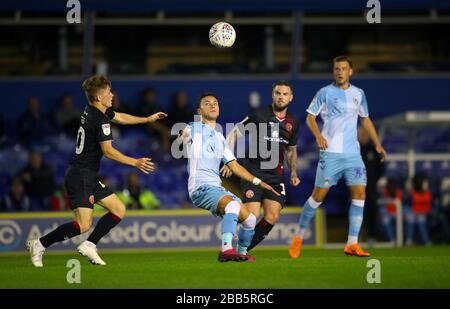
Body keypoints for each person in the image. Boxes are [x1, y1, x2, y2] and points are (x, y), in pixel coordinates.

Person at [27, 75, 167, 267]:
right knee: (83, 225)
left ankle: (90, 244)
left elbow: (120, 117)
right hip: (80, 175)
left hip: (87, 175)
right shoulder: (99, 120)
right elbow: (108, 152)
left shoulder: (93, 110)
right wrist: (135, 162)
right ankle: (39, 244)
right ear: (99, 98)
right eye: (109, 92)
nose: (112, 95)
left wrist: (147, 119)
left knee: (119, 209)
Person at [289, 56, 387, 259]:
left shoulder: (359, 94)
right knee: (318, 197)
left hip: (353, 155)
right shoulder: (324, 93)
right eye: (336, 69)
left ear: (350, 71)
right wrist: (318, 136)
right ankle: (298, 236)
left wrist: (377, 143)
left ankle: (352, 243)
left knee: (360, 194)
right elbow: (310, 117)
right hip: (331, 154)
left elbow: (365, 119)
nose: (340, 72)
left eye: (343, 68)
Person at [179, 93, 280, 262]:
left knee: (250, 219)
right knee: (232, 205)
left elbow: (234, 166)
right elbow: (183, 135)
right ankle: (226, 249)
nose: (212, 105)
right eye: (207, 103)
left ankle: (241, 253)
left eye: (215, 103)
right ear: (199, 110)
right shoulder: (194, 128)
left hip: (216, 188)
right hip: (200, 186)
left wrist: (258, 181)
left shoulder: (219, 137)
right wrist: (182, 135)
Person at [221, 81, 300, 251]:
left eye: (285, 94)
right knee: (253, 215)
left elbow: (291, 151)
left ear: (291, 98)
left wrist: (293, 172)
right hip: (253, 173)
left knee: (272, 216)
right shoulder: (259, 115)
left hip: (275, 177)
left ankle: (243, 249)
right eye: (278, 93)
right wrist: (229, 159)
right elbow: (235, 133)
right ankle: (237, 243)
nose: (281, 97)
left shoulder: (293, 122)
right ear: (273, 95)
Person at [358, 126, 384, 243]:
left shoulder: (373, 149)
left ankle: (372, 236)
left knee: (372, 212)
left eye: (366, 134)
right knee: (357, 212)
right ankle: (355, 237)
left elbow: (381, 166)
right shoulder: (354, 149)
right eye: (362, 134)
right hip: (357, 188)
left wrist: (375, 179)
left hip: (371, 187)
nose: (364, 136)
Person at [405, 174, 432, 245]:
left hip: (425, 212)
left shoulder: (427, 192)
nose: (419, 182)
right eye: (417, 181)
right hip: (414, 212)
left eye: (421, 181)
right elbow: (407, 205)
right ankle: (409, 240)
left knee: (421, 218)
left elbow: (430, 206)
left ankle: (426, 241)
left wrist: (427, 211)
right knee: (411, 218)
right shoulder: (411, 193)